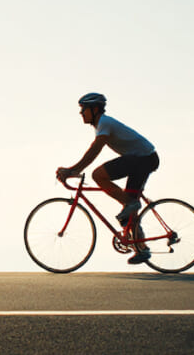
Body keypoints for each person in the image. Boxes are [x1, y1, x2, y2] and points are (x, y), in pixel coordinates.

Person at [56, 92, 159, 265]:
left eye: (84, 109)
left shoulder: (104, 123)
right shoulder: (101, 125)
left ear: (95, 109)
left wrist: (73, 170)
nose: (81, 113)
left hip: (143, 159)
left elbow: (94, 150)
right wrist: (74, 170)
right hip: (140, 160)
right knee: (128, 214)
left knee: (98, 175)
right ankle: (142, 248)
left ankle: (131, 204)